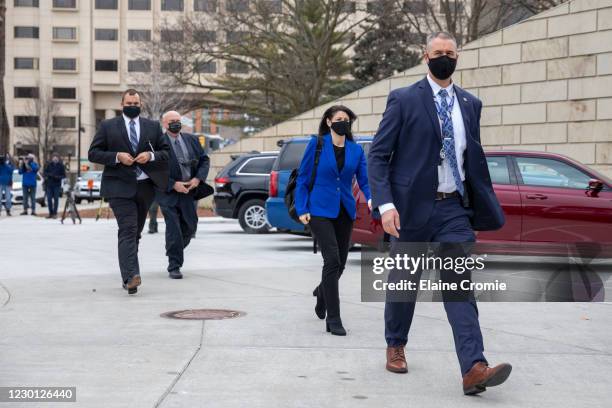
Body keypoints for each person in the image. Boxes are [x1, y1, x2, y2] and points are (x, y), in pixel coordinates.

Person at [368, 31, 510, 395]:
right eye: (438, 52)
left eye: (450, 52)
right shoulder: (403, 100)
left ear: (457, 57)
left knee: (459, 286)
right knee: (405, 284)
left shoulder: (470, 103)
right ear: (424, 56)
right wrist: (385, 205)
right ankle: (396, 342)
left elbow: (469, 157)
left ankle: (474, 367)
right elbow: (379, 156)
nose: (444, 57)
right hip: (411, 209)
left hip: (453, 209)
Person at [295, 105, 371, 336]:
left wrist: (371, 199)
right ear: (328, 122)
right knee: (332, 260)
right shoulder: (317, 144)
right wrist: (302, 207)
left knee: (341, 263)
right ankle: (334, 318)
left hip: (344, 211)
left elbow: (365, 181)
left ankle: (321, 293)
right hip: (319, 210)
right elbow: (303, 178)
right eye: (339, 119)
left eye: (347, 119)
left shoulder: (356, 150)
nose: (343, 123)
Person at [88, 89, 170, 295]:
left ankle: (128, 276)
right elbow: (93, 153)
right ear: (121, 104)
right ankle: (132, 275)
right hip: (118, 187)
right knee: (128, 229)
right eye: (129, 102)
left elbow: (166, 152)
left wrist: (150, 156)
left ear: (140, 105)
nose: (132, 105)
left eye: (136, 103)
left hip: (145, 188)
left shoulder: (152, 126)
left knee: (135, 233)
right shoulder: (108, 126)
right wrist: (117, 156)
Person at [156, 111, 210, 279]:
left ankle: (174, 249)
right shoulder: (158, 143)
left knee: (190, 226)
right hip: (169, 192)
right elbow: (155, 170)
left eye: (178, 121)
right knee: (173, 227)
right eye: (172, 121)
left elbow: (204, 160)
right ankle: (174, 265)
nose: (175, 124)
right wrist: (173, 184)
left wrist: (198, 178)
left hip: (189, 190)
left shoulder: (192, 139)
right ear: (164, 124)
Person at [43, 153, 66, 219]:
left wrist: (57, 177)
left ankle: (55, 213)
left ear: (58, 158)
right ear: (52, 158)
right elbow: (45, 173)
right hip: (49, 185)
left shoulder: (61, 166)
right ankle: (51, 213)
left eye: (56, 157)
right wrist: (49, 175)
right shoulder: (49, 165)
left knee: (56, 199)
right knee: (49, 199)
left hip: (57, 185)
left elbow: (63, 175)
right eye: (54, 157)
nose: (55, 158)